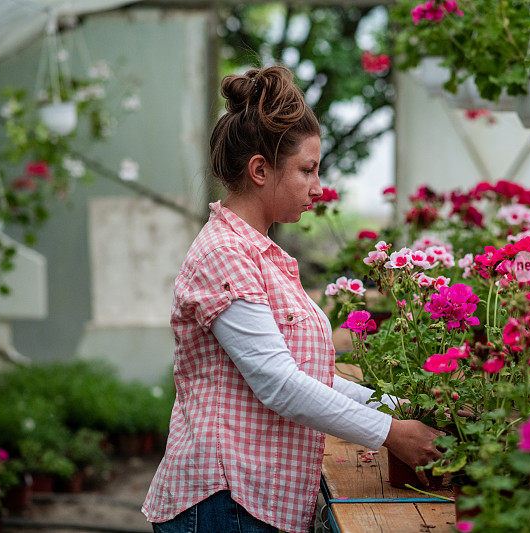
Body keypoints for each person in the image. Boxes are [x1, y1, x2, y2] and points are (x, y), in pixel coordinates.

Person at [141, 65, 443, 533]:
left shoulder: (258, 253)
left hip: (248, 502)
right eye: (307, 170)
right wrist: (391, 432)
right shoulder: (226, 253)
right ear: (260, 170)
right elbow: (279, 383)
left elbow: (309, 377)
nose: (318, 189)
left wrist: (398, 406)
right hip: (225, 502)